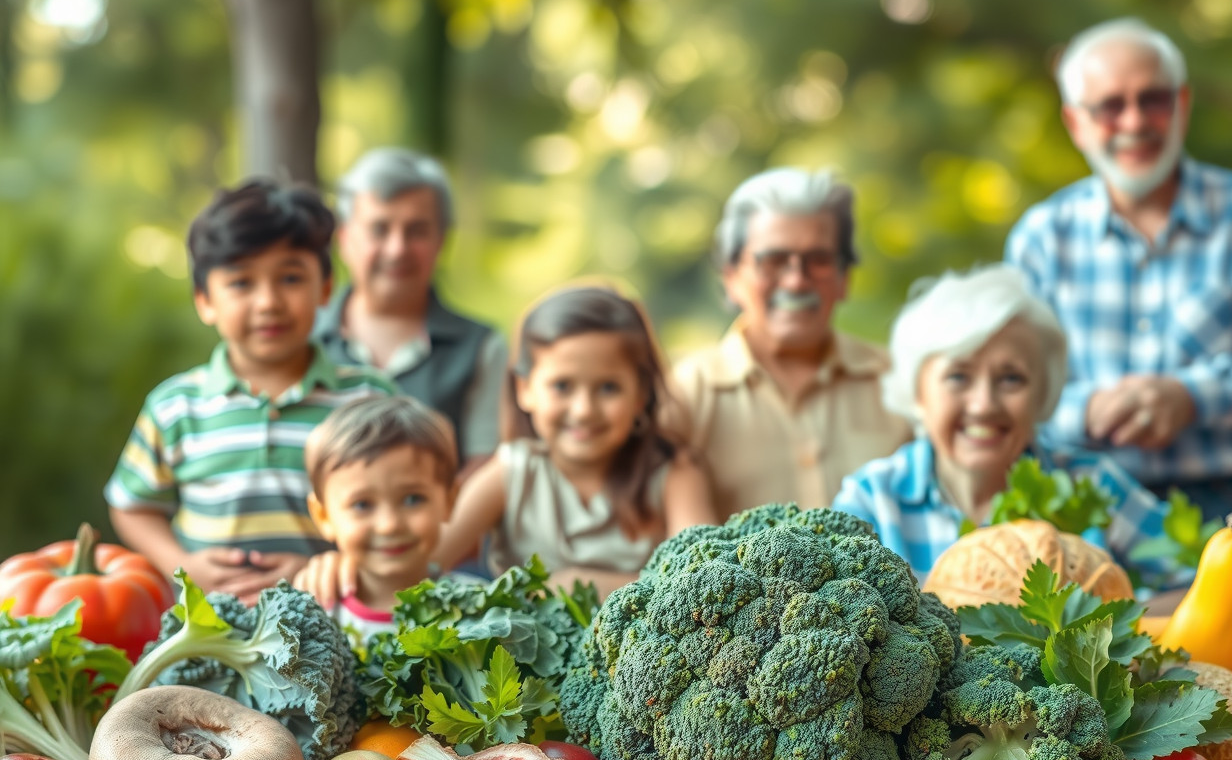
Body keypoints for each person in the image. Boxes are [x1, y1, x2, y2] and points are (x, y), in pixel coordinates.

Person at [1004, 18, 1232, 558]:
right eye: (1110, 106)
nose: (1134, 121)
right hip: (1084, 504)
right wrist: (1084, 409)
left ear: (1182, 104)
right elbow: (1011, 382)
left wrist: (1191, 397)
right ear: (1076, 123)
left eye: (1152, 99)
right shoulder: (1041, 237)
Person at [106, 180, 395, 602]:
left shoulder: (369, 400)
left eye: (291, 278)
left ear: (325, 287)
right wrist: (181, 565)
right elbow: (133, 505)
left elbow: (402, 511)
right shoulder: (175, 407)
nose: (268, 302)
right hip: (206, 628)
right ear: (205, 300)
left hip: (333, 623)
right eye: (241, 283)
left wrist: (328, 567)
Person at [832, 264, 1171, 586]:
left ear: (1043, 394)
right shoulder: (872, 500)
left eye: (1011, 379)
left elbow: (1196, 581)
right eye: (958, 376)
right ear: (917, 394)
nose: (984, 405)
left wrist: (1119, 612)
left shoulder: (1093, 484)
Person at [433, 286, 716, 600]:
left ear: (641, 393)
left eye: (608, 388)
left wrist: (582, 585)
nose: (583, 410)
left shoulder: (674, 474)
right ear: (524, 389)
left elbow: (700, 577)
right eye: (562, 386)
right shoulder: (512, 471)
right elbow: (426, 561)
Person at [671, 168, 911, 517]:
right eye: (773, 261)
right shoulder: (684, 397)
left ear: (844, 278)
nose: (797, 281)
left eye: (819, 261)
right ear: (731, 277)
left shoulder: (903, 381)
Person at [314, 148, 508, 478]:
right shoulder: (304, 340)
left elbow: (486, 467)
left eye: (417, 231)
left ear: (441, 241)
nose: (397, 249)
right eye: (379, 229)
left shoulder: (481, 348)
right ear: (344, 239)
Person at [299, 395, 462, 644]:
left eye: (413, 499)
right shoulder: (312, 618)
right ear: (323, 516)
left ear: (450, 500)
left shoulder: (481, 608)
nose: (389, 525)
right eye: (362, 504)